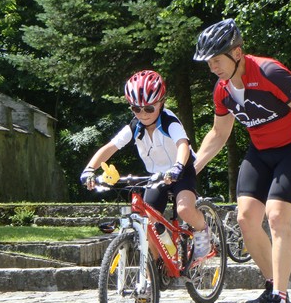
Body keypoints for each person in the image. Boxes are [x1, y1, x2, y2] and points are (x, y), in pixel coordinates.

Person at [192, 18, 291, 303]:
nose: (213, 67)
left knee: (277, 217)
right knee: (245, 218)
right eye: (208, 62)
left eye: (217, 60)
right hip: (260, 152)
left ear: (237, 53)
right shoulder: (222, 91)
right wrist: (190, 169)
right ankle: (272, 286)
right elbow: (218, 134)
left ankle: (280, 299)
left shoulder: (270, 72)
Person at [80, 70, 210, 259]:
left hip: (181, 171)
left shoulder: (169, 122)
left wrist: (178, 167)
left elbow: (182, 144)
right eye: (136, 109)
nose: (143, 114)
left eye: (149, 108)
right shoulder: (135, 126)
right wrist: (90, 169)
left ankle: (203, 231)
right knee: (148, 224)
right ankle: (154, 271)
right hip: (156, 176)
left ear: (161, 102)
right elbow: (110, 147)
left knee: (184, 210)